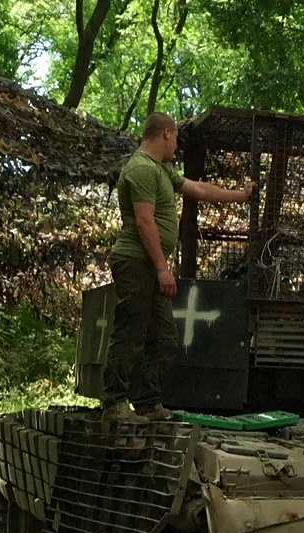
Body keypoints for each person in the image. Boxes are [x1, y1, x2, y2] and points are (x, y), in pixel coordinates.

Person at [102, 112, 254, 424]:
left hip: (151, 265)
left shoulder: (162, 170)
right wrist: (162, 268)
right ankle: (114, 404)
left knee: (165, 338)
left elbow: (198, 189)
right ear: (167, 133)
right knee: (130, 334)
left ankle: (146, 403)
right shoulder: (141, 169)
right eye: (176, 140)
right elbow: (145, 222)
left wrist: (241, 196)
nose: (177, 148)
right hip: (136, 262)